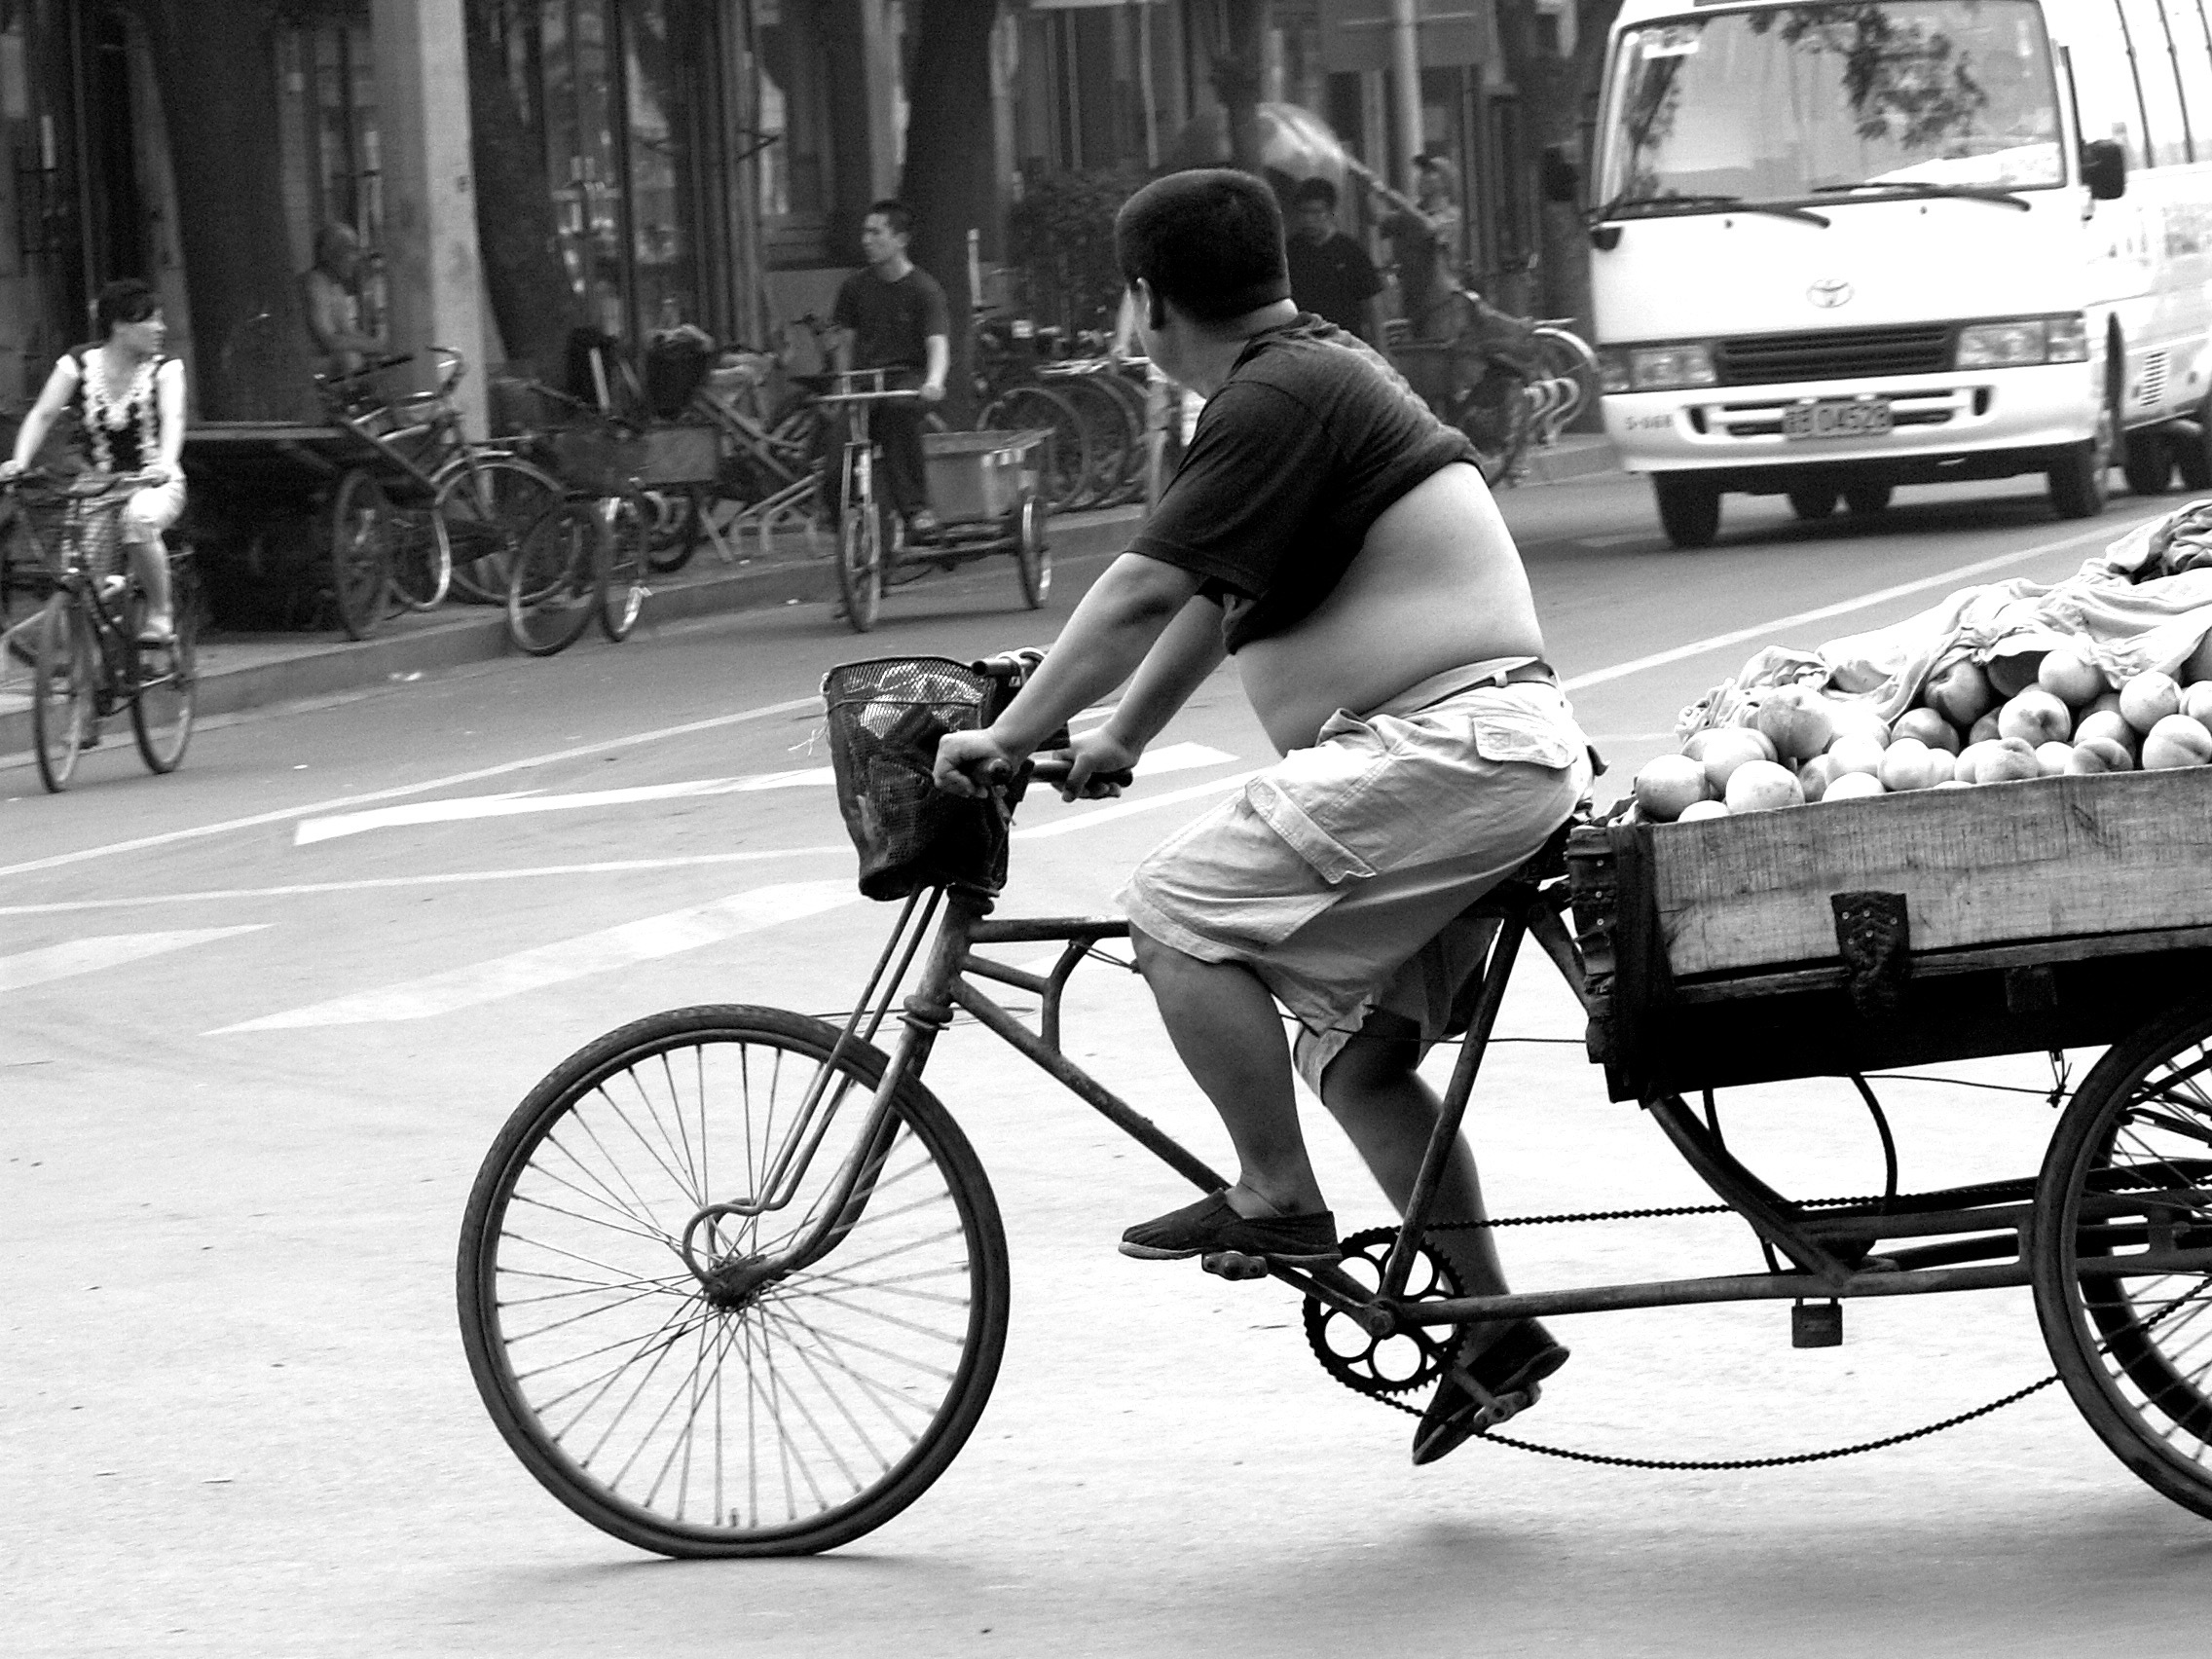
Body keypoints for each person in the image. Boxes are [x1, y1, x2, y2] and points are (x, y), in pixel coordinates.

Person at [933, 168, 1593, 1465]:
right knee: (1353, 1060)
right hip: (1470, 756)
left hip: (1448, 750)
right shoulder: (1302, 377)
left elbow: (1137, 592)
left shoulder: (1277, 393)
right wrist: (1113, 734)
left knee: (1174, 911)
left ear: (1145, 299)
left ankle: (1275, 1197)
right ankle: (1492, 1329)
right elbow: (1209, 600)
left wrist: (1010, 739)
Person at [1, 278, 187, 645]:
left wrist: (164, 464)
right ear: (120, 325)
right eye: (151, 321)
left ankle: (160, 612)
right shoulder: (78, 362)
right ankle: (87, 670)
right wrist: (17, 462)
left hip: (155, 482)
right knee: (84, 577)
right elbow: (43, 413)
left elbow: (174, 418)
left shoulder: (167, 369)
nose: (161, 330)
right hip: (99, 485)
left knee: (139, 520)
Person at [830, 199, 950, 541]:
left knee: (899, 417)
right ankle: (846, 522)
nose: (866, 240)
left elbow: (937, 343)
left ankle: (917, 511)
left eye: (876, 232)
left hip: (905, 380)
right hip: (864, 384)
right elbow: (845, 342)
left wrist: (934, 382)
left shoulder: (924, 289)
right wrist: (842, 385)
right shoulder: (854, 288)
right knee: (835, 460)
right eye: (864, 232)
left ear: (900, 239)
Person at [1284, 176, 1383, 344]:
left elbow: (1371, 303)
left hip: (1346, 344)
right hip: (1304, 344)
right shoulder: (1290, 252)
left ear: (1331, 212)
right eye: (1304, 212)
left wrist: (1381, 347)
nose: (1309, 219)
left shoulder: (1351, 252)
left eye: (1316, 212)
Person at [1384, 154, 1468, 341]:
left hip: (1440, 305)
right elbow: (1378, 220)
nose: (1422, 177)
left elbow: (1430, 227)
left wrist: (1391, 197)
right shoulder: (1409, 214)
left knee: (1435, 355)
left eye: (1431, 172)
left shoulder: (1451, 215)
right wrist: (1367, 189)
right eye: (1422, 172)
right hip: (1409, 302)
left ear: (1445, 182)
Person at [301, 223, 383, 381]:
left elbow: (348, 331)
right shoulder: (314, 284)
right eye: (350, 250)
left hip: (324, 364)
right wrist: (372, 346)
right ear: (328, 254)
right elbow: (329, 341)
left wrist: (379, 345)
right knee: (349, 358)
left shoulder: (335, 286)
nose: (356, 258)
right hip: (308, 367)